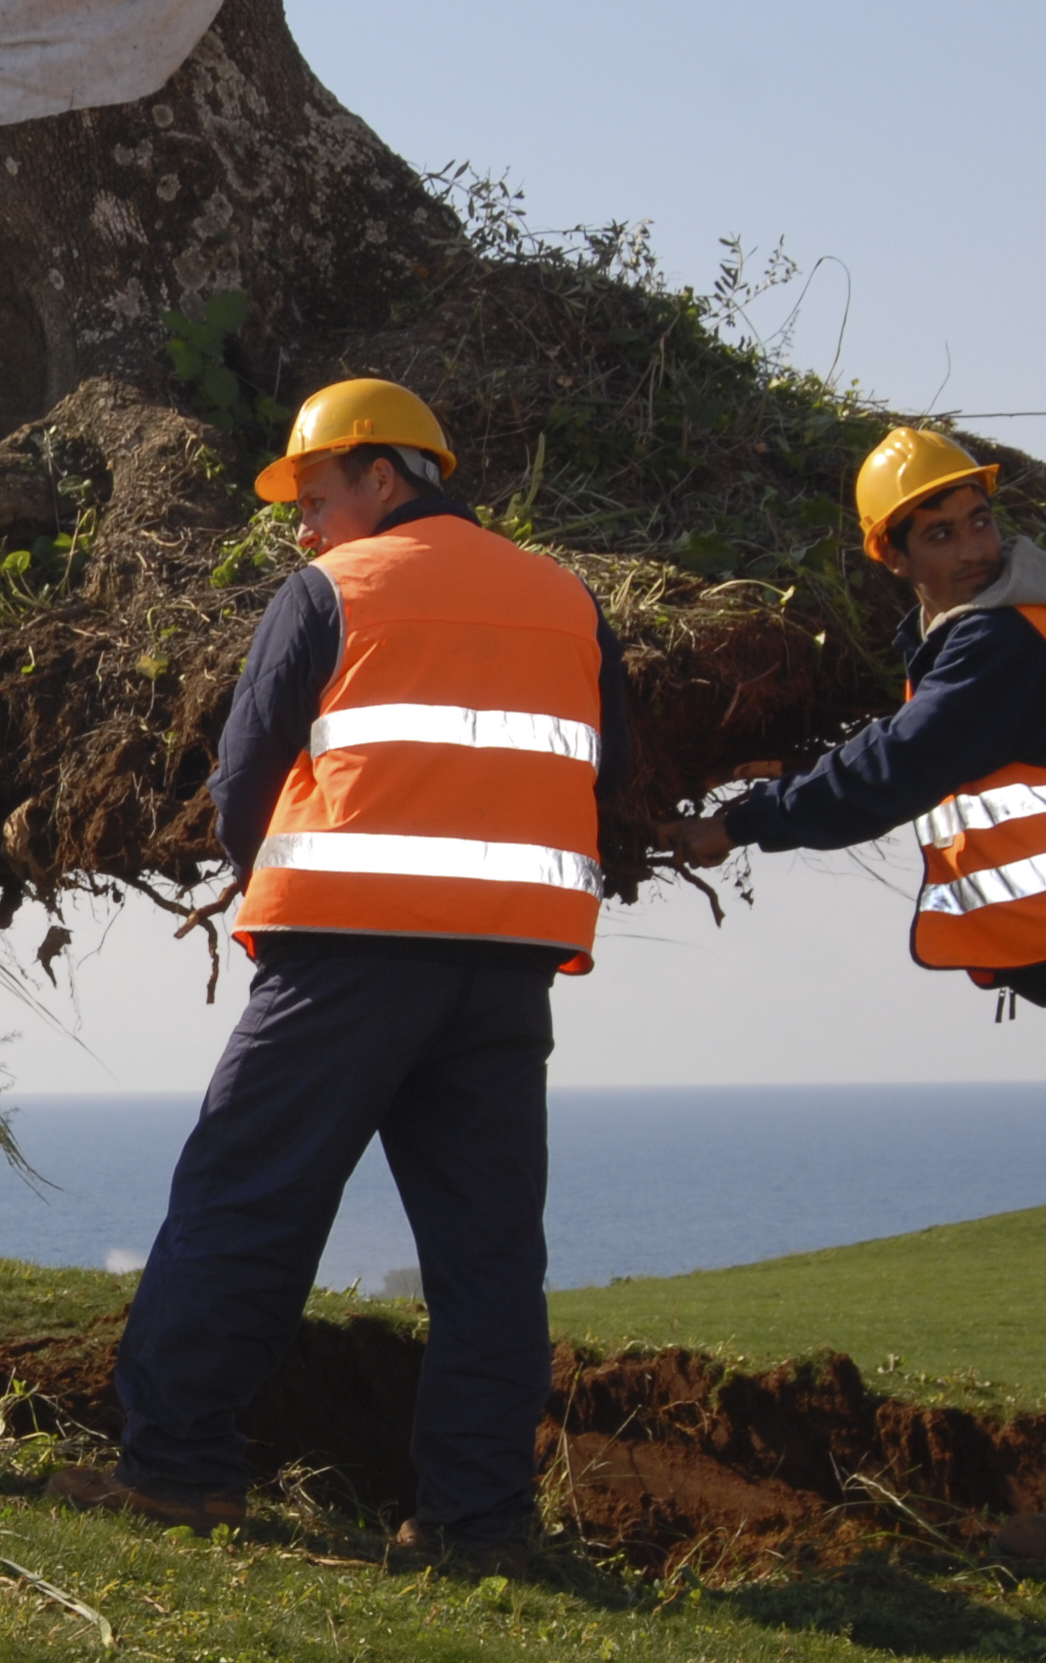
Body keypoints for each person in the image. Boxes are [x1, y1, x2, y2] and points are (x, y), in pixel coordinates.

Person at [662, 427, 1046, 1561]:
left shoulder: (1002, 642)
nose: (966, 545)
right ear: (890, 553)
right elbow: (915, 741)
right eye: (937, 532)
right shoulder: (1006, 638)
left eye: (975, 522)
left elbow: (892, 771)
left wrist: (741, 822)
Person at [52, 379, 631, 1564]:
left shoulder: (332, 591)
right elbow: (609, 777)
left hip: (344, 961)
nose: (302, 529)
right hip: (507, 971)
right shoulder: (567, 599)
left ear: (386, 476)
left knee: (241, 1203)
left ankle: (175, 1471)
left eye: (314, 498)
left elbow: (241, 784)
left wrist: (283, 874)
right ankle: (477, 1523)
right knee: (485, 1254)